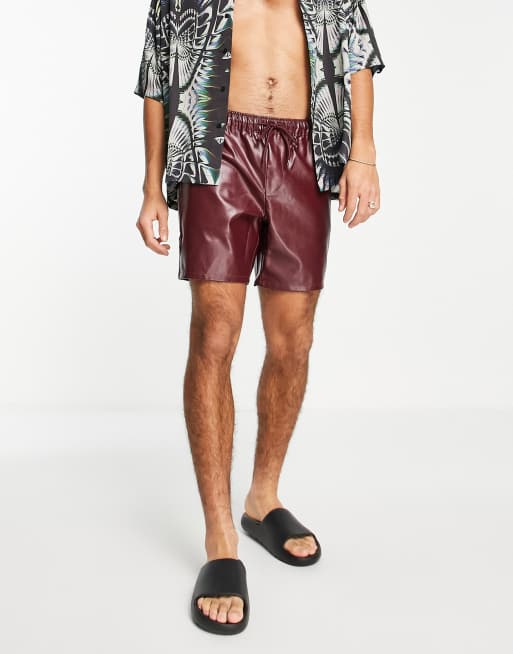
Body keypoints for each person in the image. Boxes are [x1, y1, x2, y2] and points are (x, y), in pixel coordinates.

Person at [133, 0, 385, 635]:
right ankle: (221, 537)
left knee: (293, 339)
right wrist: (150, 188)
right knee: (215, 333)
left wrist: (363, 152)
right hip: (217, 151)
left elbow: (356, 54)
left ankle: (262, 499)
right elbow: (158, 77)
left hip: (306, 150)